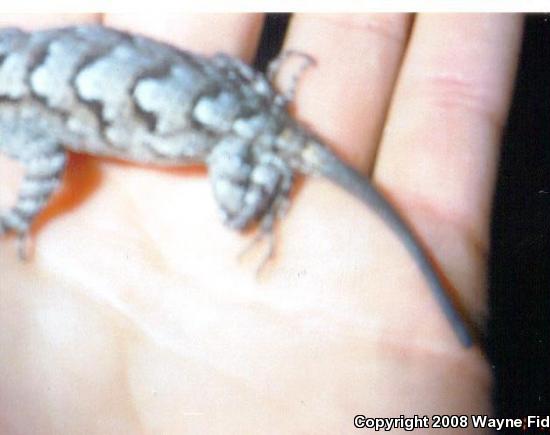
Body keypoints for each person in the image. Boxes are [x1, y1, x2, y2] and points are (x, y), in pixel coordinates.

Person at [0, 13, 523, 434]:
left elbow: (46, 162)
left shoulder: (11, 112)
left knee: (236, 214)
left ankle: (274, 160)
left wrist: (16, 218)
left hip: (219, 130)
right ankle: (266, 106)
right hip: (222, 88)